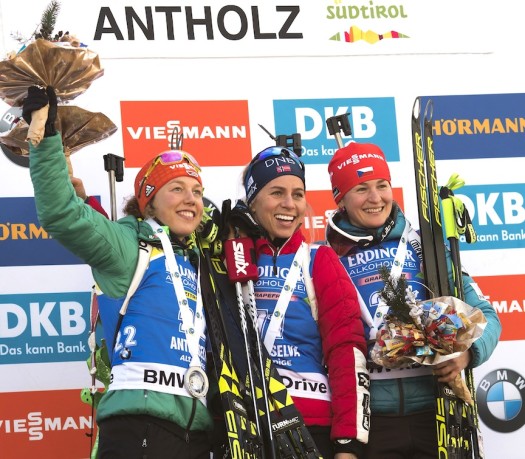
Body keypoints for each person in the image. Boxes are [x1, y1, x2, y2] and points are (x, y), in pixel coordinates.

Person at [25, 85, 215, 458]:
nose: (191, 198)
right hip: (139, 426)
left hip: (197, 433)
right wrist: (48, 139)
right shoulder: (130, 246)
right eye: (176, 188)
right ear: (149, 203)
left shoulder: (198, 260)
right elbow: (62, 215)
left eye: (196, 190)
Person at [325, 141, 502, 459]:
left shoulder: (424, 247)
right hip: (370, 421)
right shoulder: (325, 259)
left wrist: (467, 354)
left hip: (436, 412)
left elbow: (486, 314)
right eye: (361, 189)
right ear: (341, 199)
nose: (375, 198)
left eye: (382, 185)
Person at [223, 146, 370, 458]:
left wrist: (348, 442)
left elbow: (346, 350)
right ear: (252, 200)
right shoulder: (230, 255)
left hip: (309, 425)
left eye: (298, 194)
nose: (289, 204)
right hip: (244, 424)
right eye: (276, 192)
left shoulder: (319, 259)